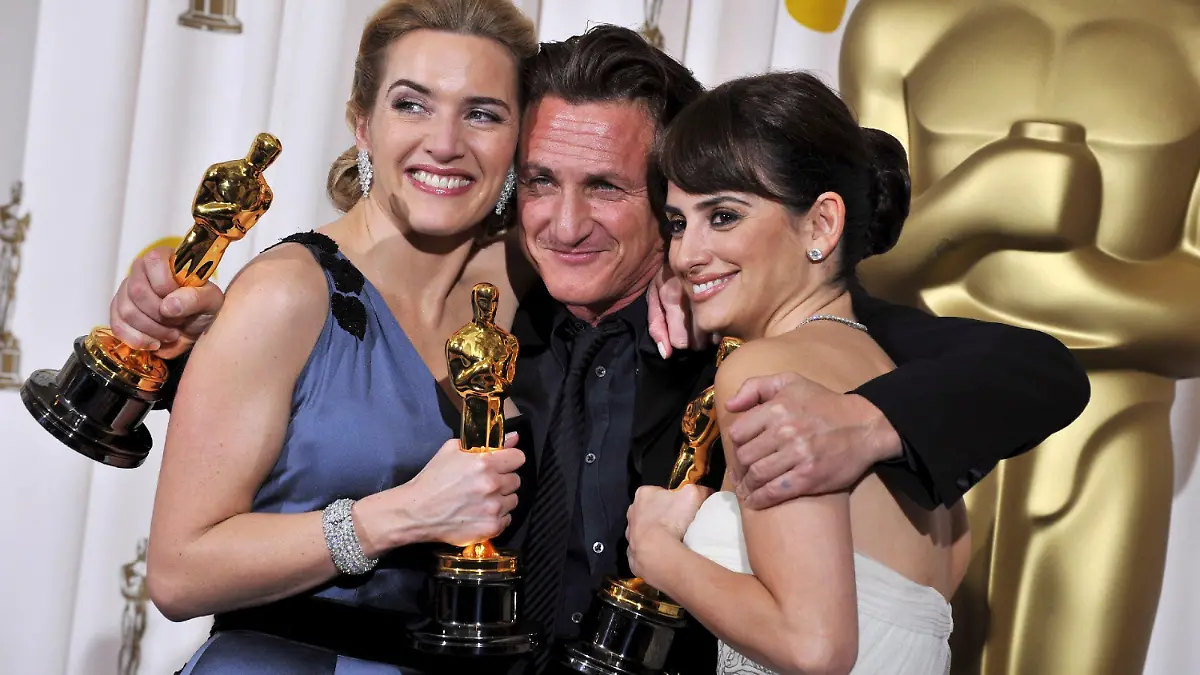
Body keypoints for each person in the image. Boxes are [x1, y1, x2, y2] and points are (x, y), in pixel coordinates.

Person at [113, 25, 1089, 674]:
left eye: (609, 191)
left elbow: (1036, 369)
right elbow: (339, 402)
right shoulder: (485, 308)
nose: (564, 224)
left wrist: (862, 425)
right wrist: (176, 324)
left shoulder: (756, 321)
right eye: (539, 181)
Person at [144, 1, 540, 672]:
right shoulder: (287, 293)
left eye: (482, 113)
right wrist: (399, 516)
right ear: (363, 124)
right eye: (412, 105)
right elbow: (178, 573)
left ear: (520, 140)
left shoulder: (533, 286)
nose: (444, 141)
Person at [627, 71, 968, 674]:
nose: (685, 254)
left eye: (724, 216)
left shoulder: (765, 370)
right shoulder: (892, 385)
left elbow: (815, 649)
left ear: (820, 225)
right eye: (678, 223)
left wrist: (655, 552)